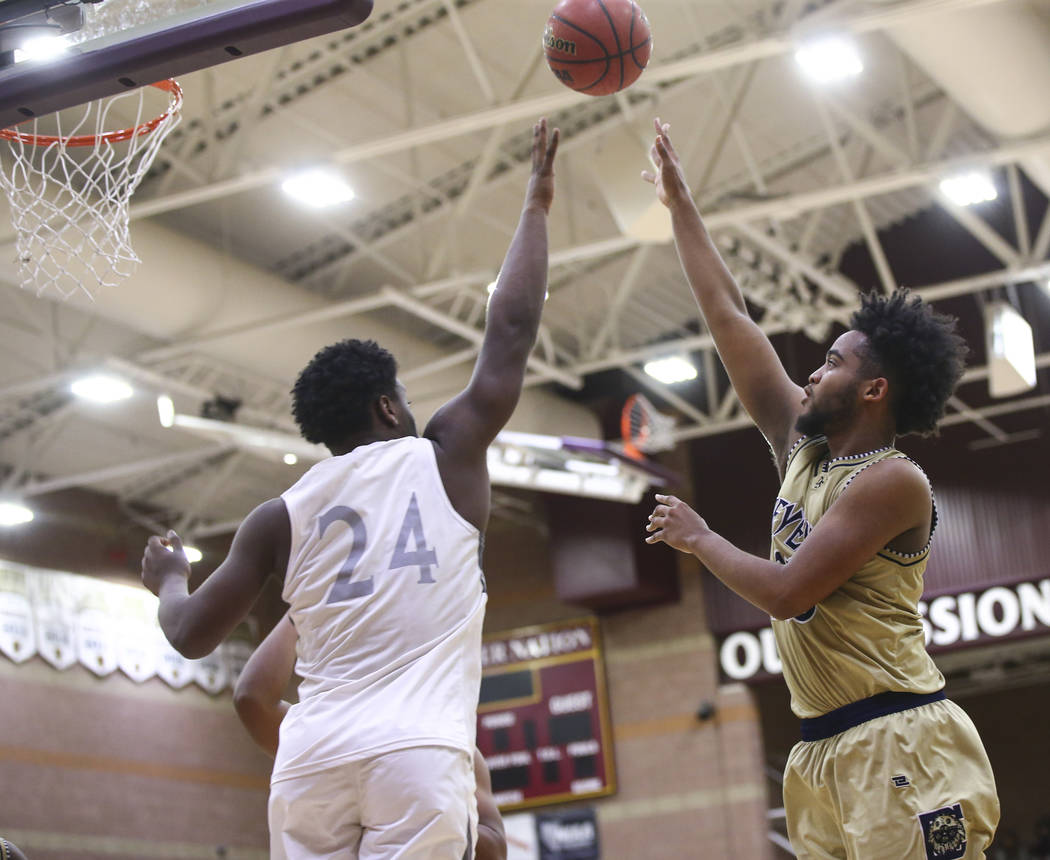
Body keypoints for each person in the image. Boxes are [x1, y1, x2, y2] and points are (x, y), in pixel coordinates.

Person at [140, 117, 559, 859]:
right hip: (415, 752)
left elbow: (190, 633)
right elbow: (512, 330)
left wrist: (171, 577)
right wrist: (534, 204)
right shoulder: (444, 457)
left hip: (309, 762)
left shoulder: (279, 516)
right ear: (387, 407)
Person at [640, 117, 999, 859]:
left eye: (831, 362)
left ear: (873, 389)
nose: (811, 371)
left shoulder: (893, 482)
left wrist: (701, 538)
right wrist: (681, 211)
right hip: (819, 748)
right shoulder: (802, 450)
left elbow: (790, 593)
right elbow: (729, 316)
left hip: (899, 737)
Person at [232, 612, 507, 860]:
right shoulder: (321, 731)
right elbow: (251, 699)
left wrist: (419, 815)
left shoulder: (442, 743)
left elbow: (494, 849)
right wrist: (302, 607)